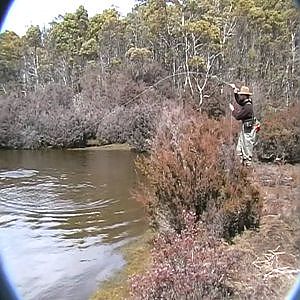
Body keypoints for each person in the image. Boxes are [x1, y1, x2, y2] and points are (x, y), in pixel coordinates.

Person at [229, 84, 260, 166]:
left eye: (241, 94)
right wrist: (235, 91)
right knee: (239, 150)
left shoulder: (248, 107)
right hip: (246, 129)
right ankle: (240, 169)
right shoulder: (247, 102)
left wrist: (233, 110)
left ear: (245, 96)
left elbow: (238, 117)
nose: (240, 95)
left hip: (248, 131)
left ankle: (247, 170)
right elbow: (240, 101)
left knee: (247, 151)